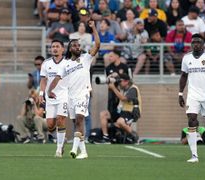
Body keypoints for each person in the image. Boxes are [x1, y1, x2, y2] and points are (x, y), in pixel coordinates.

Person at [48, 19, 100, 159]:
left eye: (79, 45)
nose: (78, 47)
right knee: (76, 123)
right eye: (75, 45)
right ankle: (83, 152)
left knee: (79, 120)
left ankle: (74, 149)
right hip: (71, 96)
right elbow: (57, 78)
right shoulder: (65, 65)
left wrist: (93, 27)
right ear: (70, 49)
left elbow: (97, 44)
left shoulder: (86, 58)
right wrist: (49, 90)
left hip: (83, 94)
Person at [178, 33, 205, 163]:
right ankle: (194, 155)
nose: (195, 44)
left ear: (203, 44)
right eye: (193, 42)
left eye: (198, 42)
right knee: (191, 120)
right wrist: (180, 94)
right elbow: (183, 76)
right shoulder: (186, 58)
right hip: (193, 95)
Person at [38, 39, 68, 158]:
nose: (54, 48)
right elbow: (43, 79)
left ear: (62, 49)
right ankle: (61, 138)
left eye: (57, 46)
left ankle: (59, 149)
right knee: (50, 125)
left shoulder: (67, 63)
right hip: (50, 98)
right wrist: (41, 93)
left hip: (63, 96)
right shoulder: (46, 63)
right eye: (53, 46)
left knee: (61, 120)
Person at [99, 73, 141, 144]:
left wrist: (113, 88)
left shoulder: (133, 88)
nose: (119, 83)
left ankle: (134, 135)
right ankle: (105, 137)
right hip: (122, 112)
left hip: (132, 112)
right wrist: (111, 78)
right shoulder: (123, 89)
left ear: (126, 81)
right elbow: (111, 87)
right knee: (103, 114)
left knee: (120, 122)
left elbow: (123, 98)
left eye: (120, 81)